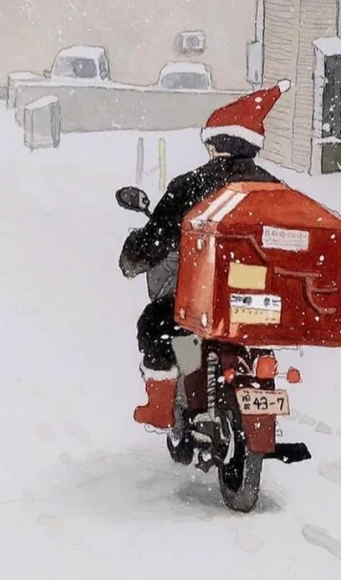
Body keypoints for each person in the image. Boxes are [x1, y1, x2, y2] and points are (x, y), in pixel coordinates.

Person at [119, 81, 290, 430]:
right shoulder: (276, 190)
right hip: (260, 305)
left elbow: (157, 239)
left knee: (156, 324)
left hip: (204, 300)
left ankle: (161, 408)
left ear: (216, 144)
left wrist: (132, 258)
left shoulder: (190, 185)